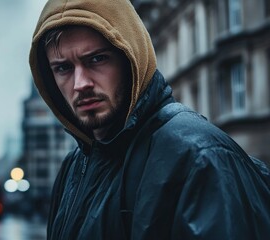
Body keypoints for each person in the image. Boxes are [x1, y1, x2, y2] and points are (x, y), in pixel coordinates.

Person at [28, 0, 270, 239]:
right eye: (63, 68)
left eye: (97, 59)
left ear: (131, 58)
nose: (80, 84)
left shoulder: (200, 156)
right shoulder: (75, 166)